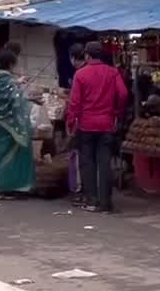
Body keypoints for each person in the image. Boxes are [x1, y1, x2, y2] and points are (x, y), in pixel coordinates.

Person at [66, 41, 128, 213]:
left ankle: (92, 201)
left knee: (88, 163)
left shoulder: (81, 74)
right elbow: (123, 93)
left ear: (87, 55)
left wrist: (71, 122)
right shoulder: (112, 72)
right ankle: (106, 203)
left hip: (86, 125)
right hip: (107, 124)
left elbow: (74, 103)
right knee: (104, 163)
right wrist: (117, 113)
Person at [0, 46, 35, 199]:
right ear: (10, 65)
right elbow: (15, 100)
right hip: (10, 126)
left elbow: (5, 94)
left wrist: (17, 83)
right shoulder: (8, 81)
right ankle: (6, 188)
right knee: (12, 157)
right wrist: (26, 94)